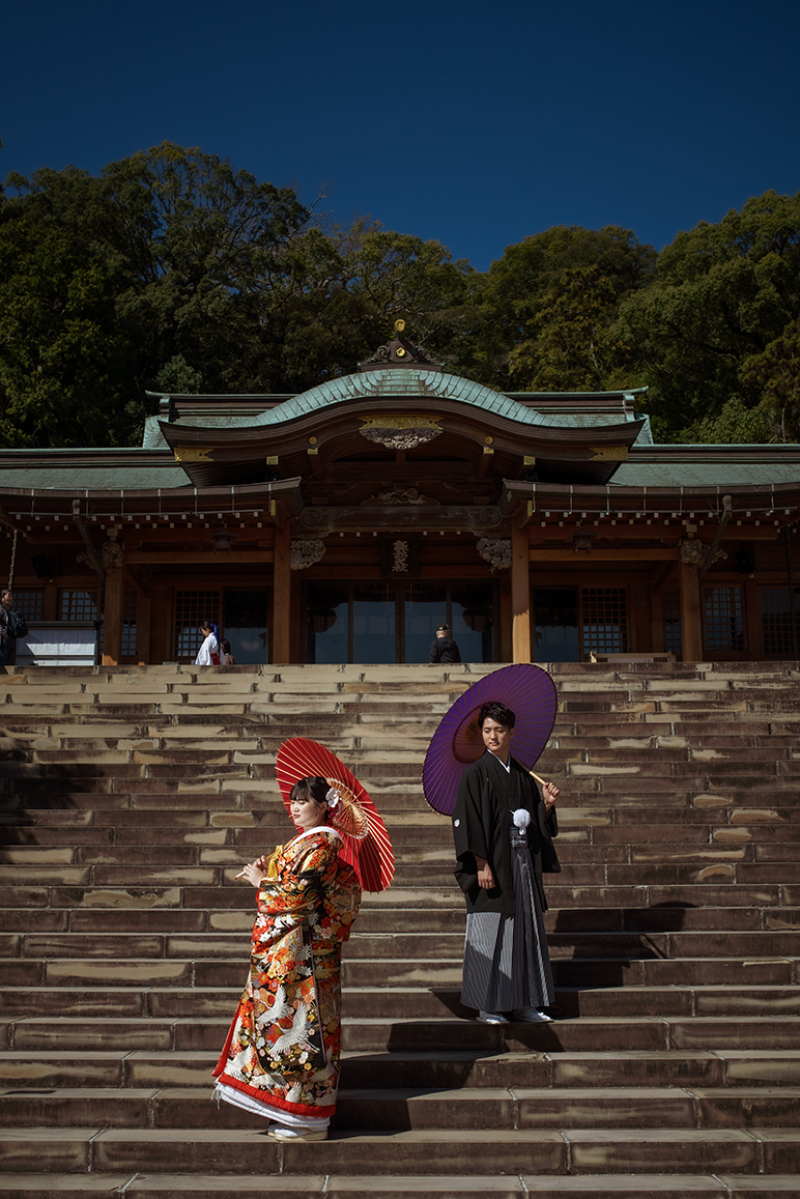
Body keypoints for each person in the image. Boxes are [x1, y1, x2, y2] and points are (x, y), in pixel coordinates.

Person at [213, 776, 362, 1141]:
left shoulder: (324, 847)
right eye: (292, 801)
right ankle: (289, 1112)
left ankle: (308, 1120)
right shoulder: (304, 845)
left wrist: (262, 881)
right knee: (292, 1032)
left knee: (305, 1036)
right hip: (295, 957)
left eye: (303, 801)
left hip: (306, 960)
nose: (295, 807)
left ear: (324, 806)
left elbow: (298, 899)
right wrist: (275, 868)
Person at [452, 700, 560, 1025]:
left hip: (523, 862)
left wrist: (548, 805)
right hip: (493, 864)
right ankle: (489, 1005)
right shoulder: (475, 773)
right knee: (490, 930)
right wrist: (481, 863)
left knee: (526, 931)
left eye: (499, 730)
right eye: (487, 730)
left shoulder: (525, 776)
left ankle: (526, 1003)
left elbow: (538, 823)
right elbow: (467, 819)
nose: (492, 736)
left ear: (511, 732)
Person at [0, 590, 28, 667]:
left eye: (12, 596)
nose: (11, 598)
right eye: (9, 596)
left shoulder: (12, 612)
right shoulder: (1, 609)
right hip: (3, 639)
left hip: (11, 638)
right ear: (2, 598)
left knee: (7, 662)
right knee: (2, 661)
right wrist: (3, 633)